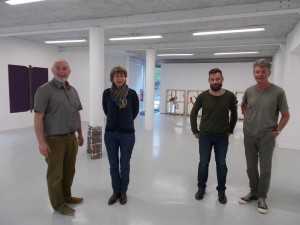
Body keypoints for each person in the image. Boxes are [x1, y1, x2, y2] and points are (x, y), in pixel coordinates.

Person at [239, 58, 290, 214]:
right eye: (257, 72)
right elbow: (243, 106)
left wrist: (276, 131)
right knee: (251, 168)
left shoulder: (278, 92)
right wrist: (247, 120)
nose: (260, 74)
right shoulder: (249, 91)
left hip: (267, 136)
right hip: (249, 135)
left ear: (269, 72)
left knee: (265, 169)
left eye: (263, 72)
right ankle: (253, 193)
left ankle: (262, 196)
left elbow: (286, 115)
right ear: (254, 73)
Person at [34, 59, 84, 216]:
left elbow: (76, 113)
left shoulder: (72, 90)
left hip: (71, 138)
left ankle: (66, 196)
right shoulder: (44, 90)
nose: (61, 71)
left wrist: (80, 134)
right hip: (54, 140)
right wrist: (41, 142)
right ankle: (58, 204)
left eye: (65, 68)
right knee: (55, 174)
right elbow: (38, 117)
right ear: (52, 70)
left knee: (69, 170)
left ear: (70, 71)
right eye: (58, 68)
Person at [190, 68, 237, 204]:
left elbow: (234, 114)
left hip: (222, 137)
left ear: (222, 79)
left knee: (221, 164)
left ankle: (221, 191)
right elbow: (193, 113)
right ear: (209, 80)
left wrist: (230, 130)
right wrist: (195, 131)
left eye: (217, 79)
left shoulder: (229, 96)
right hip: (205, 136)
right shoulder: (203, 96)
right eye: (212, 79)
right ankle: (201, 188)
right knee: (203, 163)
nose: (215, 81)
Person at [102, 66, 139, 205]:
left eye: (122, 76)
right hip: (110, 133)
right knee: (113, 165)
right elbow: (106, 111)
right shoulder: (106, 93)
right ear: (112, 78)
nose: (119, 78)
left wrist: (125, 122)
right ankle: (115, 192)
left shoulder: (132, 94)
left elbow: (134, 112)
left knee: (124, 164)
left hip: (127, 135)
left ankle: (123, 191)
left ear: (125, 77)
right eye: (117, 76)